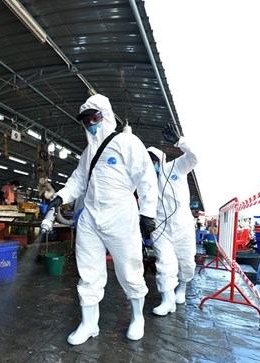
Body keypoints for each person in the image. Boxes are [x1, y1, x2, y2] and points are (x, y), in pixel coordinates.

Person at [45, 93, 158, 345]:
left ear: (105, 116)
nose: (91, 123)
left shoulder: (127, 142)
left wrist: (147, 213)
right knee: (88, 271)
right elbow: (77, 181)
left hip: (121, 214)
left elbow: (146, 178)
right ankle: (88, 324)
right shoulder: (88, 153)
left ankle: (138, 318)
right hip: (90, 217)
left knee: (129, 269)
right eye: (86, 120)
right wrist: (60, 197)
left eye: (94, 117)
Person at [147, 137, 198, 315]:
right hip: (160, 226)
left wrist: (180, 142)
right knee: (165, 263)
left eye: (153, 160)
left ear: (160, 159)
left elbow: (194, 158)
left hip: (182, 223)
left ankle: (182, 288)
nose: (151, 164)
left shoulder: (176, 167)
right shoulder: (145, 180)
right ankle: (167, 300)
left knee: (187, 262)